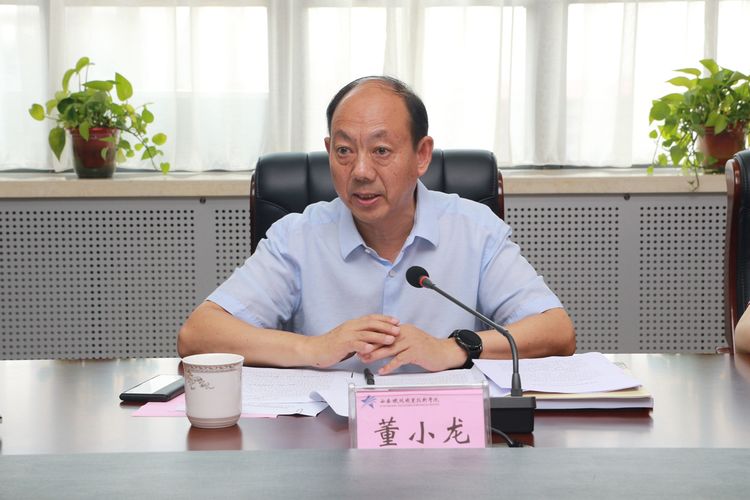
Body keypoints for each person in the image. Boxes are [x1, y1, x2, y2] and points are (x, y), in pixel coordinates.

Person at [178, 76, 575, 374]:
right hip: (327, 441)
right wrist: (315, 348)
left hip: (443, 439)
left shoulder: (474, 230)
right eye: (344, 151)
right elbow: (198, 335)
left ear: (422, 155)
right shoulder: (297, 237)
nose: (361, 171)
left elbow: (556, 331)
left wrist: (454, 348)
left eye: (381, 150)